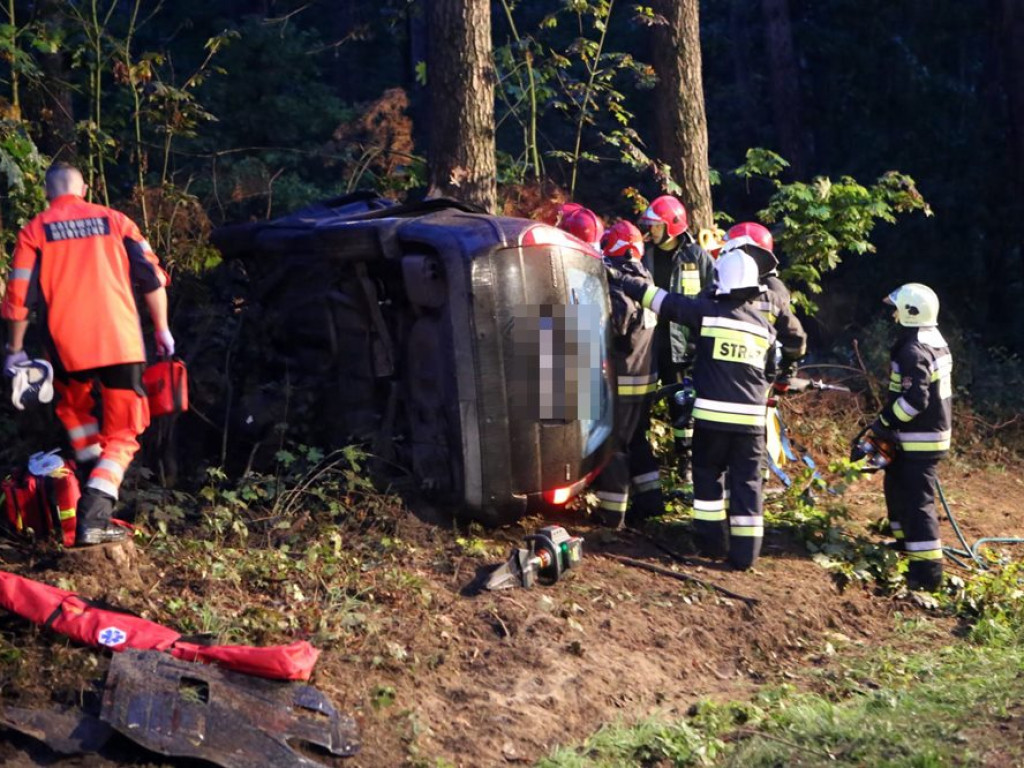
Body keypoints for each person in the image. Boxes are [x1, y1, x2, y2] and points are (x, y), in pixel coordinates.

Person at [2, 162, 172, 545]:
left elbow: (17, 299)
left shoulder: (35, 230)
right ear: (84, 188)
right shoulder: (116, 221)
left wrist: (13, 351)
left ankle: (91, 487)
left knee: (75, 414)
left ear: (48, 193)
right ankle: (95, 511)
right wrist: (162, 329)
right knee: (125, 433)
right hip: (121, 343)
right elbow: (152, 278)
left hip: (66, 348)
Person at [613, 249, 776, 569]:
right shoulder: (764, 328)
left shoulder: (708, 312)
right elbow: (771, 373)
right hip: (752, 427)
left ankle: (710, 543)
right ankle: (745, 556)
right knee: (747, 485)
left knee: (708, 480)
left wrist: (622, 280)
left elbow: (664, 302)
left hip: (712, 421)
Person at [870, 283, 952, 591]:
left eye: (896, 309)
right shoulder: (933, 342)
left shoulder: (914, 350)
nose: (893, 314)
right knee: (896, 488)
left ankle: (927, 573)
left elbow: (915, 401)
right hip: (920, 437)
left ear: (910, 312)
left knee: (918, 503)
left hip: (920, 439)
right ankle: (907, 549)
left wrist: (884, 422)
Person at [638, 195, 714, 487]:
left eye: (656, 226)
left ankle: (685, 462)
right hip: (647, 344)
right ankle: (645, 460)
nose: (651, 231)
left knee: (683, 408)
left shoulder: (697, 258)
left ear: (672, 226)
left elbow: (713, 296)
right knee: (641, 404)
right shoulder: (644, 255)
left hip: (682, 348)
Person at [590, 219, 662, 528]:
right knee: (638, 440)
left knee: (615, 445)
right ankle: (651, 501)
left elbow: (617, 327)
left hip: (624, 379)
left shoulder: (621, 286)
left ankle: (611, 514)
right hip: (645, 377)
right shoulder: (645, 280)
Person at [720, 222, 806, 390]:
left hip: (760, 373)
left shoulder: (773, 288)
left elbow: (789, 333)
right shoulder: (727, 280)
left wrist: (786, 375)